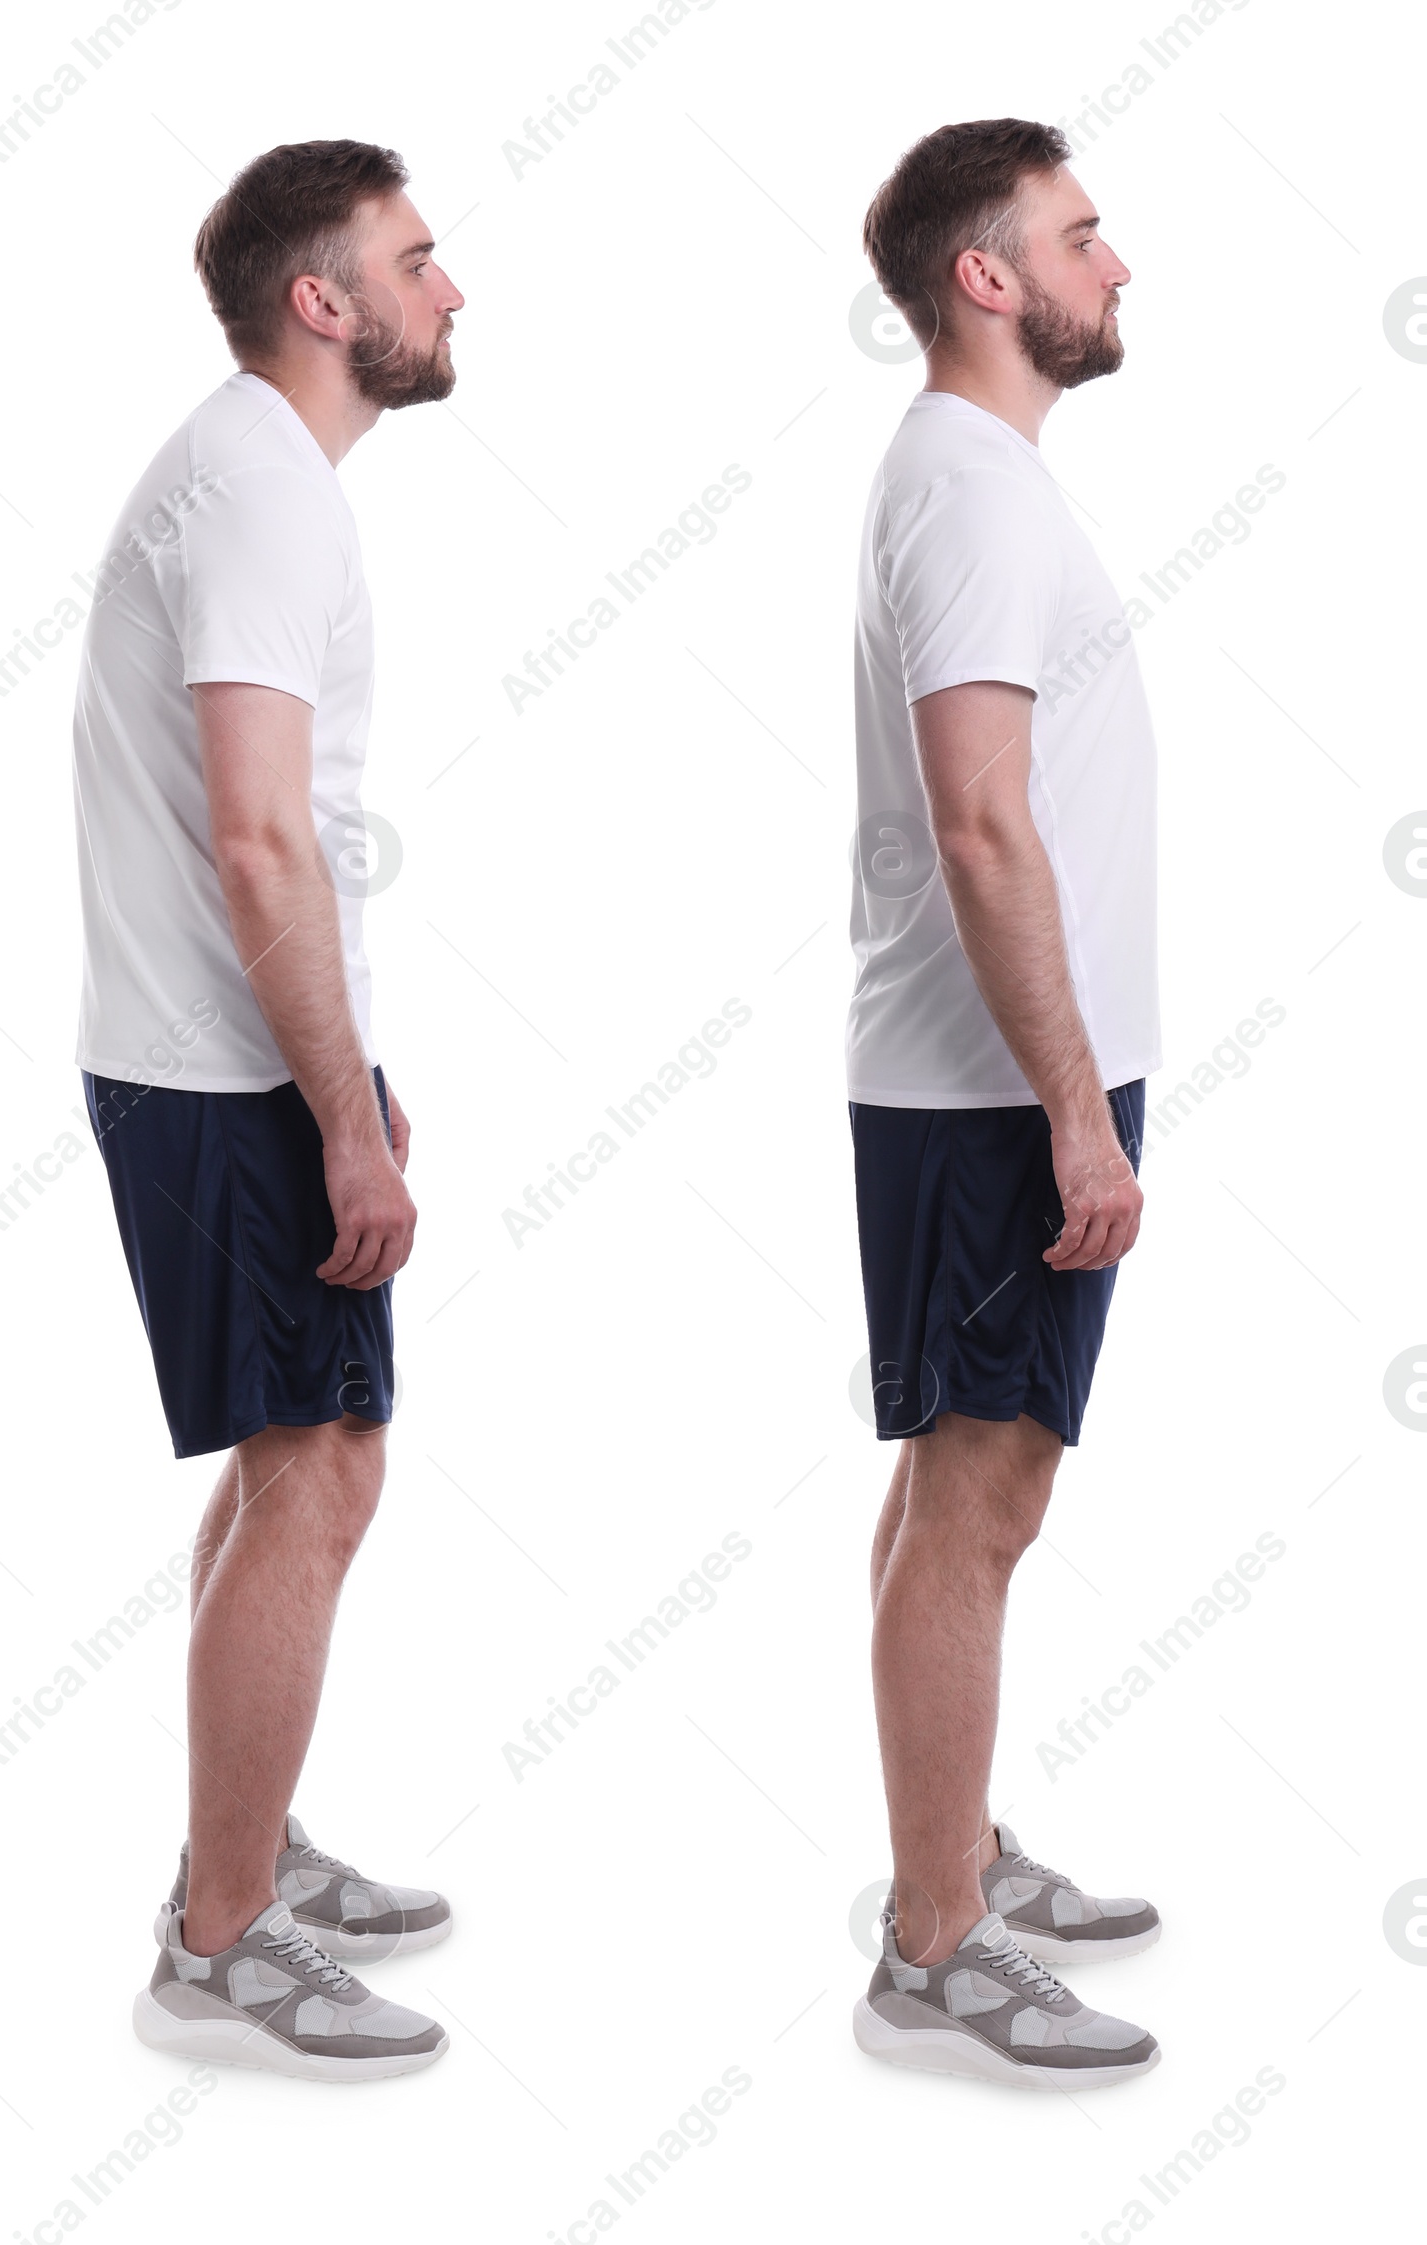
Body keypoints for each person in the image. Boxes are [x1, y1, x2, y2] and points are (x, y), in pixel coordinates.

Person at [72, 139, 464, 2083]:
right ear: (323, 302)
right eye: (414, 259)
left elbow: (276, 837)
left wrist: (353, 1078)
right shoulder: (258, 493)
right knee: (316, 1474)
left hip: (235, 1065)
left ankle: (243, 1839)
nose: (446, 290)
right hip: (229, 1079)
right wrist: (343, 1122)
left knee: (297, 1461)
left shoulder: (259, 477)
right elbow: (252, 837)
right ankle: (220, 1939)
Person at [846, 119, 1165, 2088]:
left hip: (1003, 1079)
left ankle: (943, 1852)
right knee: (977, 1490)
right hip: (990, 1094)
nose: (1111, 264)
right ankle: (934, 1948)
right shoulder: (965, 493)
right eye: (1077, 233)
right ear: (986, 276)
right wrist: (1067, 1112)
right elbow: (976, 819)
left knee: (970, 1484)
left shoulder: (984, 481)